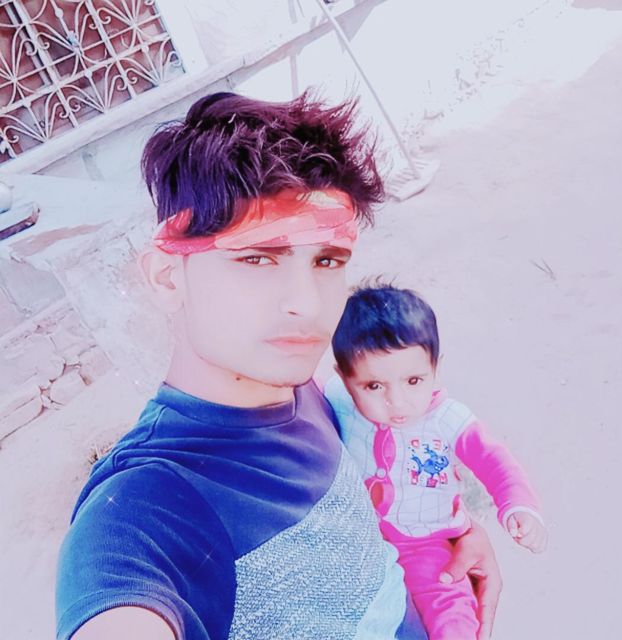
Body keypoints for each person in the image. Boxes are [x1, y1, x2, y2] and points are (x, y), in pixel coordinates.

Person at [56, 91, 502, 640]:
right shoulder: (143, 510)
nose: (307, 304)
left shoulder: (305, 389)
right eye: (258, 258)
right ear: (168, 278)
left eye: (327, 261)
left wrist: (443, 535)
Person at [324, 282, 548, 640]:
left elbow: (495, 461)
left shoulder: (446, 419)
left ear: (436, 368)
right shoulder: (336, 398)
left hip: (426, 542)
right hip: (360, 537)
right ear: (344, 378)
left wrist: (519, 506)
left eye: (414, 380)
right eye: (374, 386)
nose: (397, 401)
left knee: (449, 607)